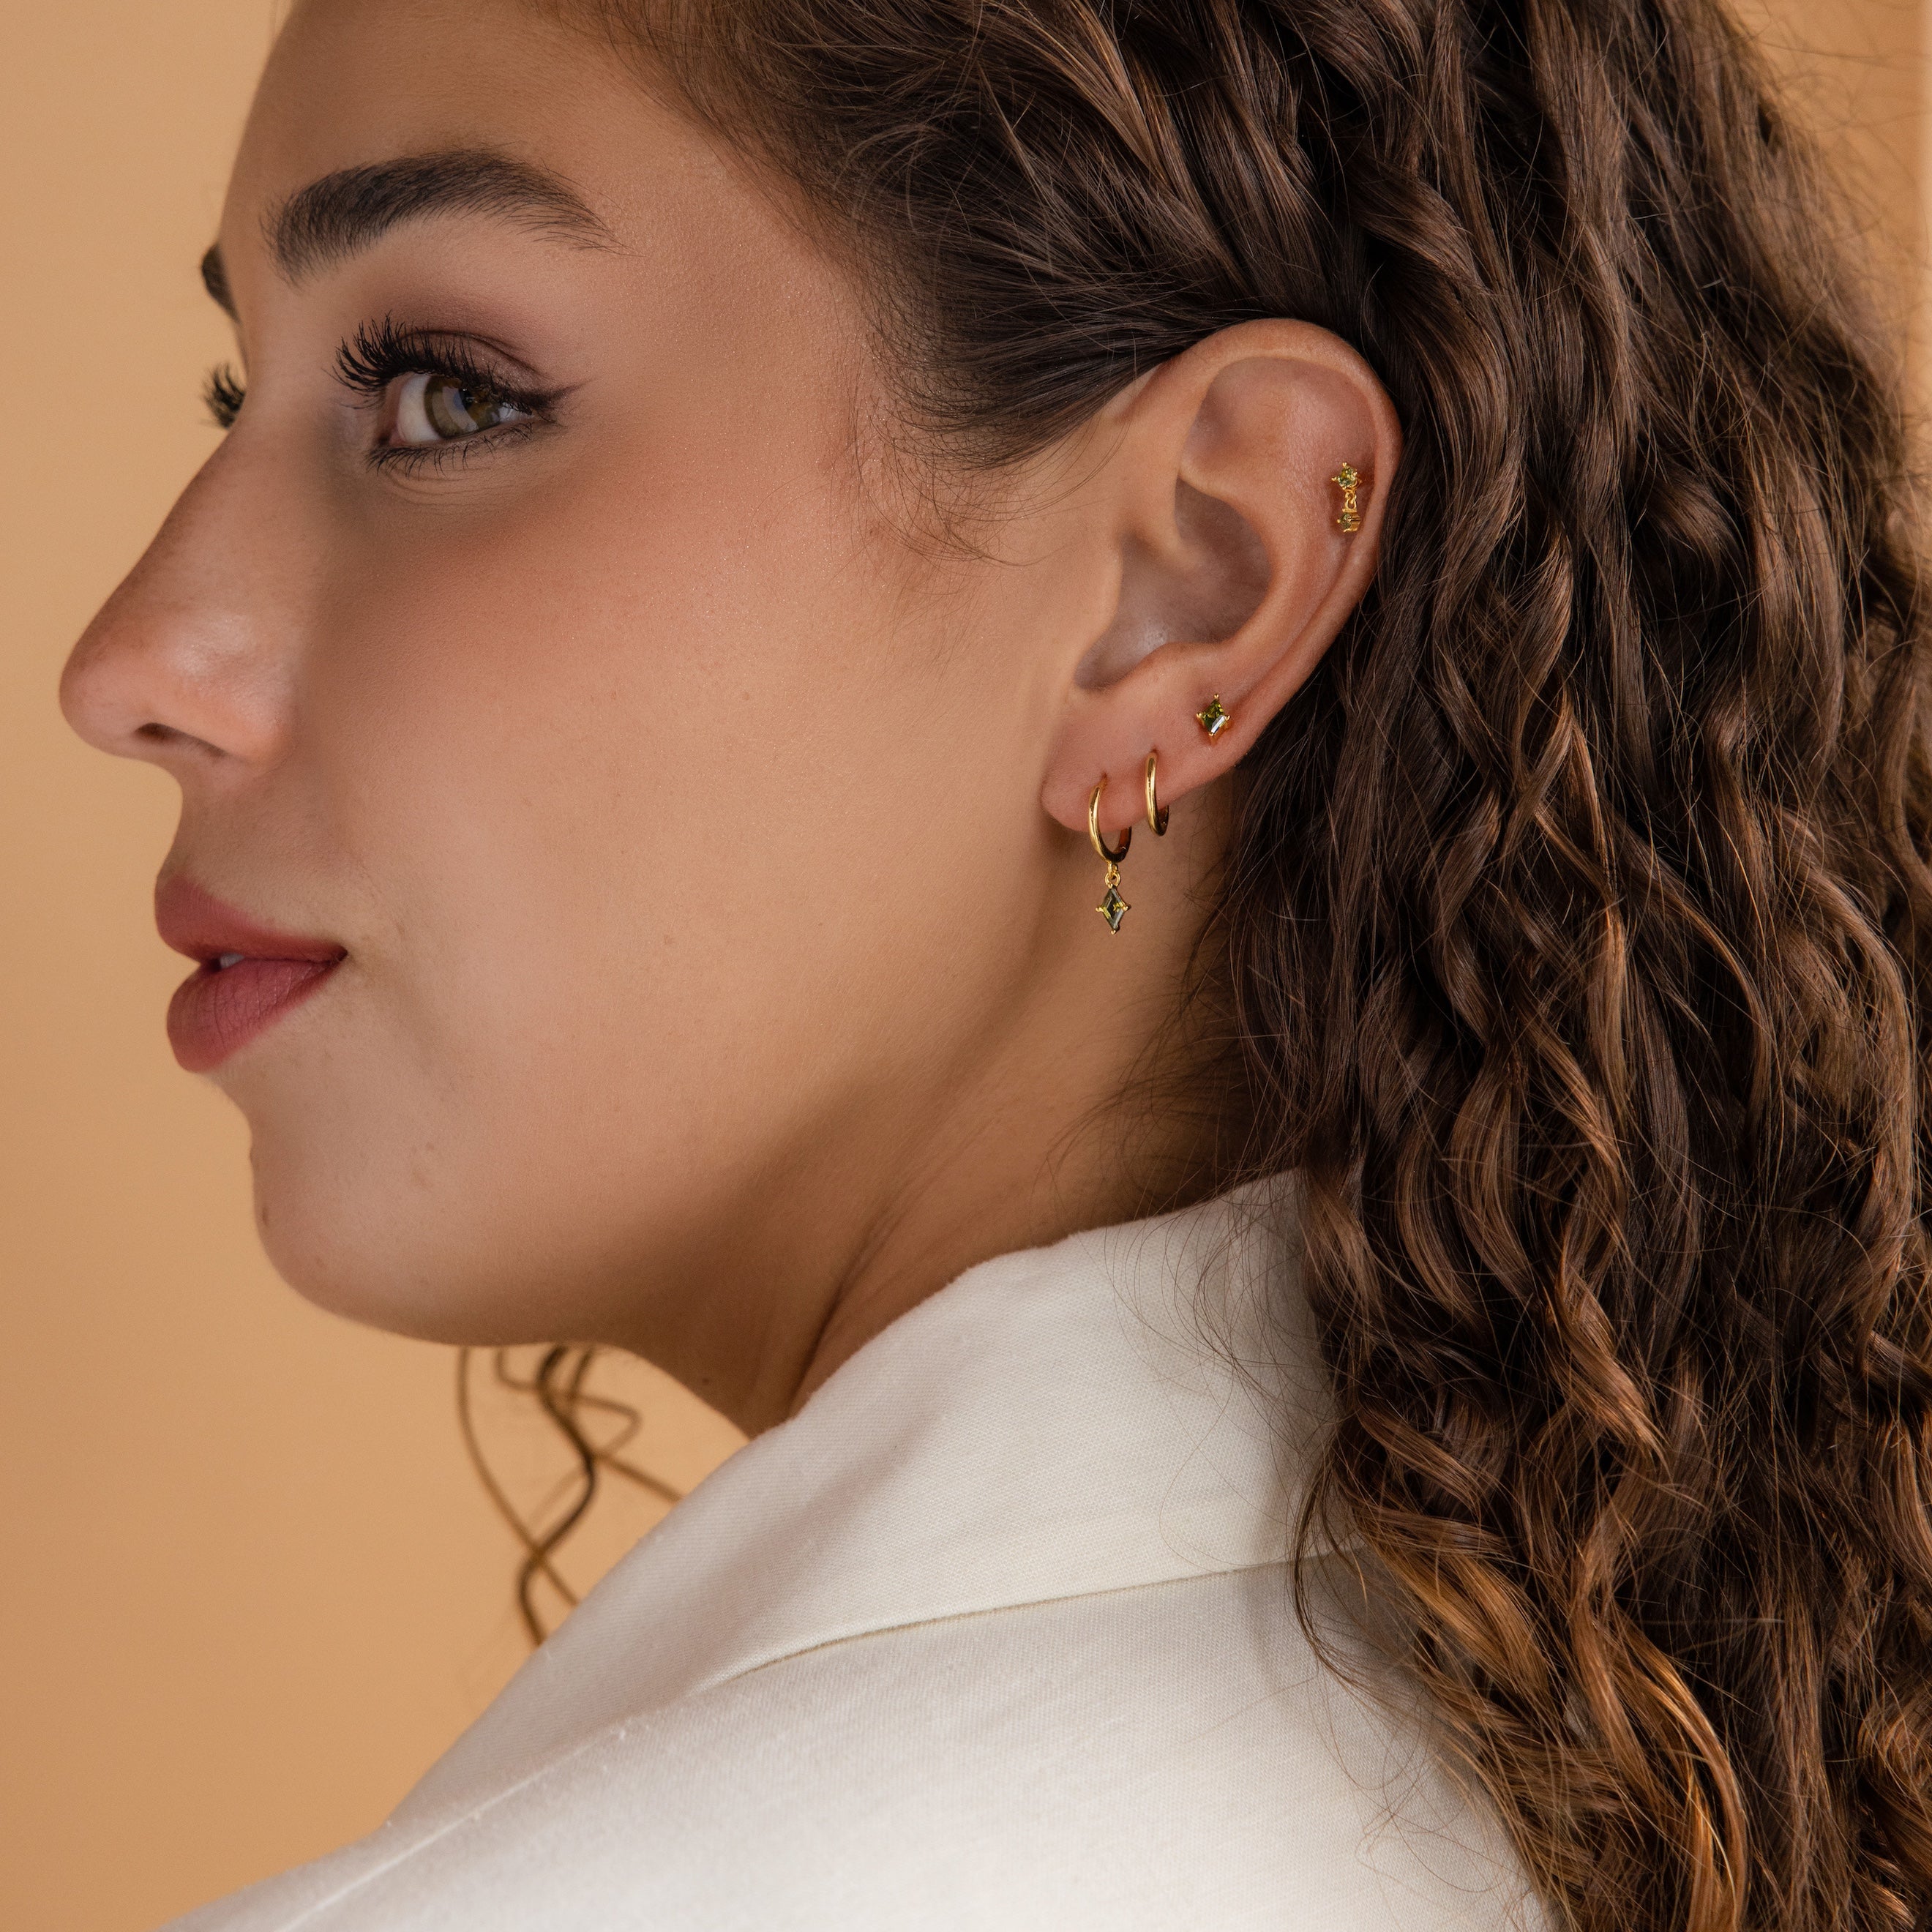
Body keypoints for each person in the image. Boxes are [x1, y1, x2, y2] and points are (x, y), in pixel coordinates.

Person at [59, 0, 1932, 1925]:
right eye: (239, 398)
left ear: (1188, 579)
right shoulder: (1661, 1794)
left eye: (444, 396)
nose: (128, 664)